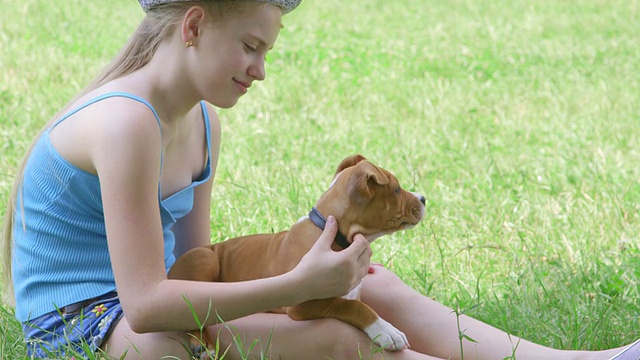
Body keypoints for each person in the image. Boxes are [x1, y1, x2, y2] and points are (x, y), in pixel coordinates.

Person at [1, 0, 637, 359]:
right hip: (90, 324)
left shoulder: (200, 122)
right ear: (193, 26)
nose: (260, 70)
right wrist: (298, 284)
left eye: (266, 53)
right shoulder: (124, 124)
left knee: (374, 289)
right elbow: (144, 304)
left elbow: (201, 262)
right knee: (336, 337)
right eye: (251, 46)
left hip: (164, 305)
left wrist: (308, 271)